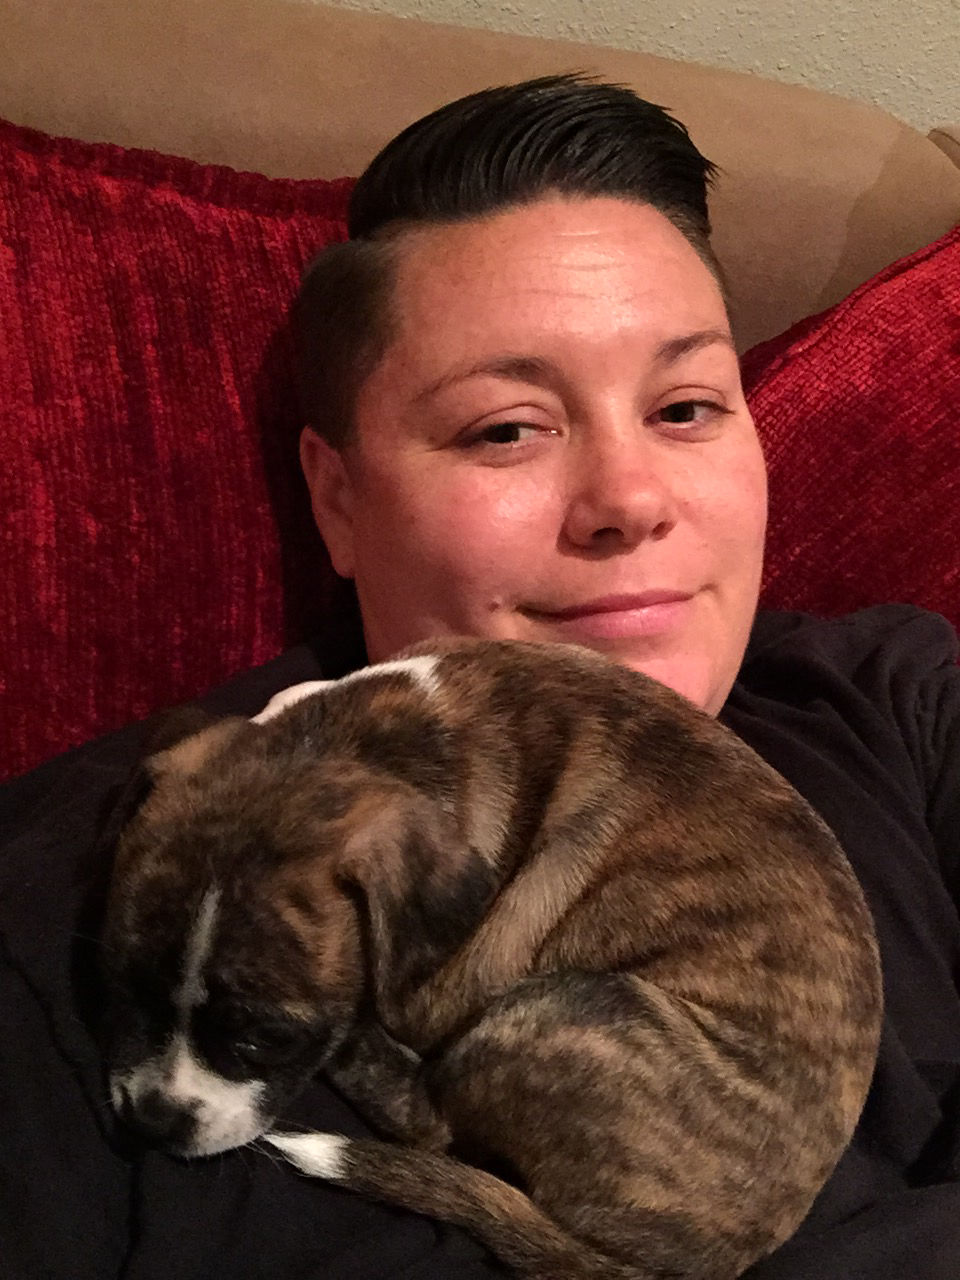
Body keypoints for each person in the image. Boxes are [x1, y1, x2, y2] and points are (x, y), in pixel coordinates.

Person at [1, 74, 958, 1280]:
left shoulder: (899, 693)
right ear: (336, 498)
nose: (629, 499)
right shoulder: (102, 893)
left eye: (685, 405)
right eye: (505, 426)